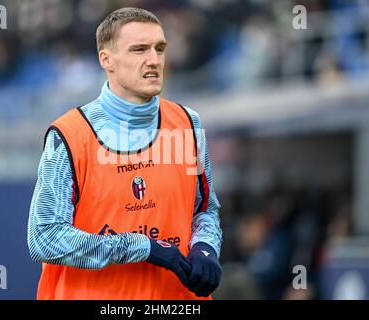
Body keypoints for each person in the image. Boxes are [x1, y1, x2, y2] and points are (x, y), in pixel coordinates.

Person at [27, 7, 223, 300]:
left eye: (160, 48)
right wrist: (142, 248)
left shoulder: (187, 123)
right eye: (139, 50)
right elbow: (44, 237)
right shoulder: (69, 134)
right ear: (107, 60)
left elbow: (204, 211)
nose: (154, 60)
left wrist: (206, 248)